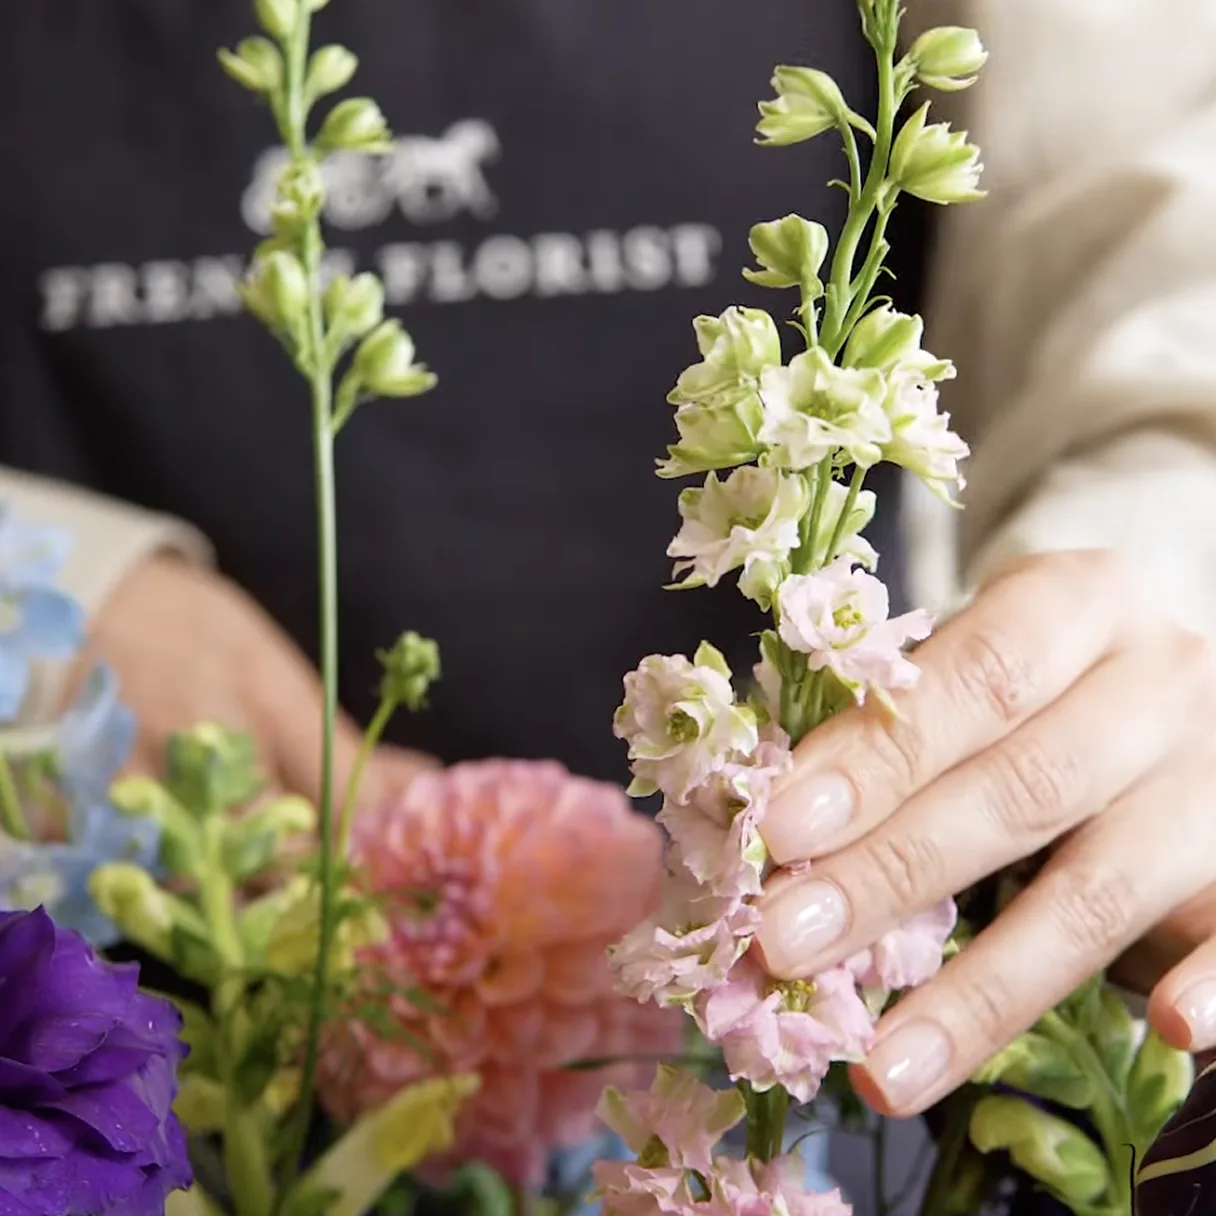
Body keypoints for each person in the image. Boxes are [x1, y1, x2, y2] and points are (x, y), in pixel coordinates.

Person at [3, 0, 1216, 1210]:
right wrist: (43, 592)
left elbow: (1165, 284)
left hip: (826, 1080)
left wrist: (1120, 628)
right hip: (100, 1046)